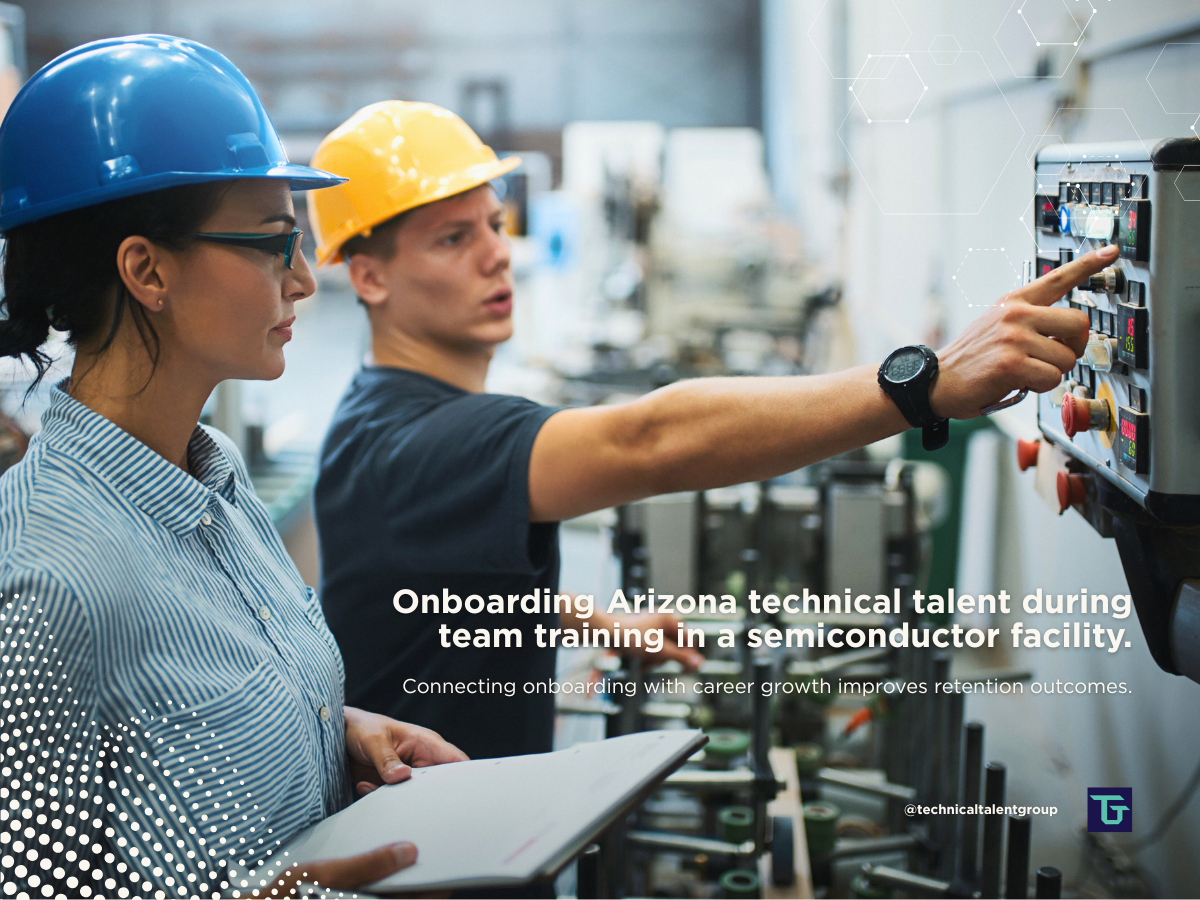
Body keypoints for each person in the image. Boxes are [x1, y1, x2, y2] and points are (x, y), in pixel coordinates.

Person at [309, 102, 1111, 763]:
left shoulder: (378, 417)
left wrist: (596, 622)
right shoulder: (420, 445)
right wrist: (923, 384)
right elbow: (652, 439)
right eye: (454, 238)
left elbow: (446, 583)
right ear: (368, 275)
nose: (497, 256)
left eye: (494, 223)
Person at [0, 38, 466, 899]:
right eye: (271, 243)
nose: (301, 280)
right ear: (146, 270)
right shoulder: (51, 581)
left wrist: (337, 730)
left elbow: (172, 736)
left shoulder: (211, 481)